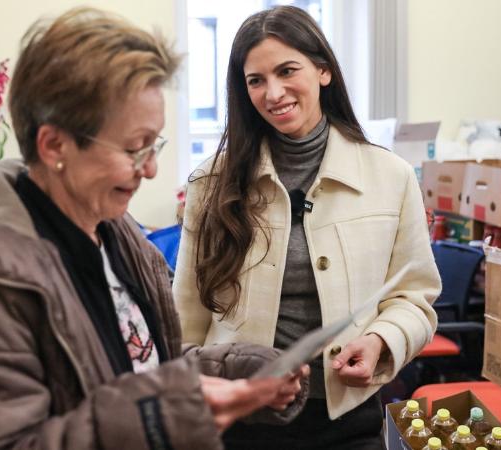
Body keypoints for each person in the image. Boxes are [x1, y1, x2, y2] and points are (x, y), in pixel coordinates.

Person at [0, 7, 307, 450]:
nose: (152, 170)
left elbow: (138, 367)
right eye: (134, 148)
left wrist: (235, 369)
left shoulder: (114, 232)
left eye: (153, 144)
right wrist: (158, 421)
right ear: (54, 145)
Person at [173, 5, 442, 449]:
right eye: (255, 80)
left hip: (347, 418)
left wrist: (380, 340)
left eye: (287, 71)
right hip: (241, 419)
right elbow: (185, 316)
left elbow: (414, 297)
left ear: (323, 71)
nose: (273, 92)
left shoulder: (390, 177)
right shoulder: (211, 184)